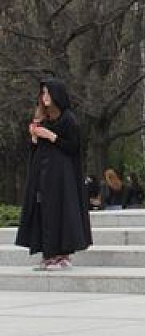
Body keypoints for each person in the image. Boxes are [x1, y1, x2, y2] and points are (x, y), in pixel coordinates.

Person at [16, 78, 92, 270]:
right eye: (43, 93)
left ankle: (62, 256)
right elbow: (36, 150)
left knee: (61, 211)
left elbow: (73, 147)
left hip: (62, 177)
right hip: (43, 175)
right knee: (44, 211)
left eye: (48, 92)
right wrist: (35, 137)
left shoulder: (68, 119)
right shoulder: (43, 119)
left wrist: (51, 136)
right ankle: (48, 254)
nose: (45, 96)